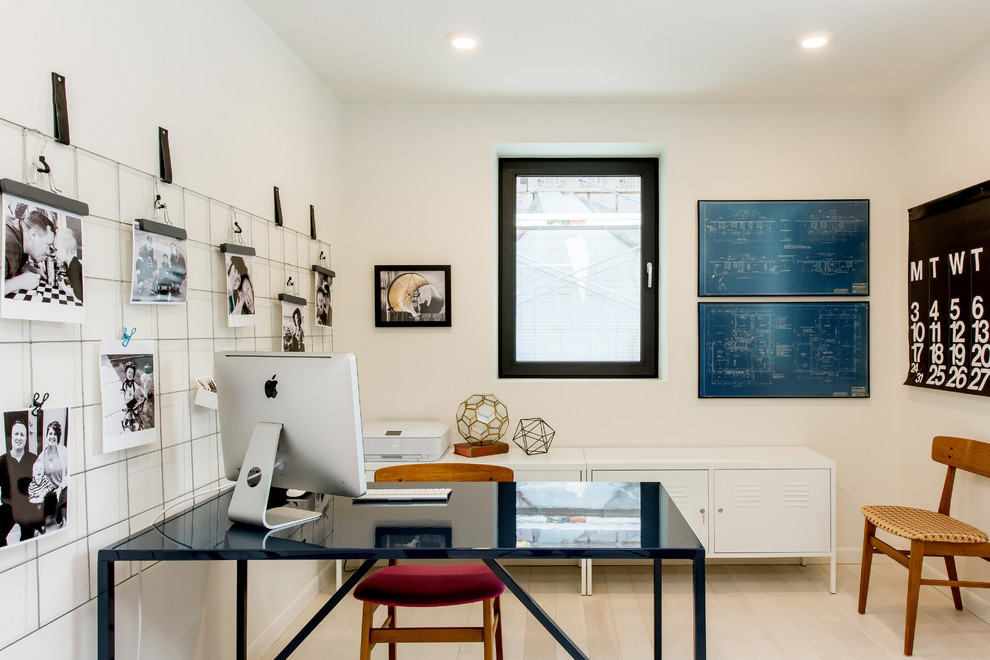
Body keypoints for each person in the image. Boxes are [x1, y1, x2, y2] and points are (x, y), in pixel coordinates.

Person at [0, 420, 39, 545]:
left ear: (26, 438)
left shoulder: (33, 459)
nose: (19, 438)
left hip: (27, 507)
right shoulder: (2, 461)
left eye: (22, 435)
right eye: (16, 434)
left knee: (28, 540)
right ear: (11, 437)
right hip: (8, 506)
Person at [4, 207, 56, 294]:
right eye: (47, 245)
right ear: (33, 234)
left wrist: (28, 268)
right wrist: (19, 282)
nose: (48, 252)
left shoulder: (19, 228)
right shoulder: (7, 243)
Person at [40, 419, 68, 525]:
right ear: (47, 435)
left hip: (62, 488)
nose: (52, 436)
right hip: (50, 491)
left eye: (55, 434)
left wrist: (60, 488)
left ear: (58, 437)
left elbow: (69, 473)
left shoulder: (64, 451)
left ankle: (60, 519)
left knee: (59, 518)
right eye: (50, 433)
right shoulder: (41, 456)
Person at [53, 228, 83, 301]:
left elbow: (79, 295)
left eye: (56, 250)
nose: (54, 253)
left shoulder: (74, 267)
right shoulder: (68, 264)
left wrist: (63, 287)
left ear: (67, 251)